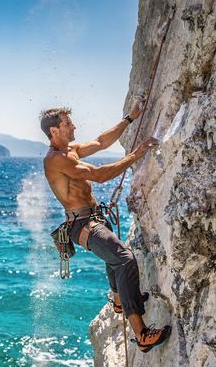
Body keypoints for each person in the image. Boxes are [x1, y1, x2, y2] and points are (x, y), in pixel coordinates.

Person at [41, 100, 171, 352]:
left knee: (115, 260)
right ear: (54, 131)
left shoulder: (71, 151)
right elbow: (99, 175)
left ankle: (121, 301)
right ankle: (141, 334)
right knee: (124, 259)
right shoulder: (55, 160)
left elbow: (101, 142)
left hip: (93, 217)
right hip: (81, 223)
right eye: (68, 124)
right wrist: (136, 154)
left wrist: (130, 118)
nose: (73, 126)